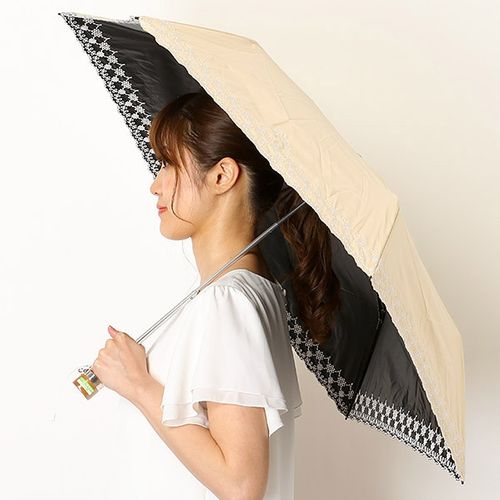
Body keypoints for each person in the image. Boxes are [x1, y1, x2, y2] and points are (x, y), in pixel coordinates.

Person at [90, 90, 337, 499]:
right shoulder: (249, 294)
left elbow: (241, 484)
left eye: (169, 163)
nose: (155, 185)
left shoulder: (228, 303)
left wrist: (139, 384)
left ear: (222, 176)